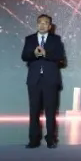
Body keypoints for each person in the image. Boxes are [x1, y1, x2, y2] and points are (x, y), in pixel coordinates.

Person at [21, 14, 66, 148]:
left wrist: (46, 54)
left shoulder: (56, 40)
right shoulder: (29, 39)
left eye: (45, 23)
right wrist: (34, 54)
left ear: (50, 26)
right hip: (34, 80)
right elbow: (24, 56)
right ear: (37, 24)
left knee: (51, 111)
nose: (42, 25)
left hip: (50, 79)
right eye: (40, 22)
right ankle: (33, 140)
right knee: (34, 110)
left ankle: (51, 139)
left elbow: (60, 57)